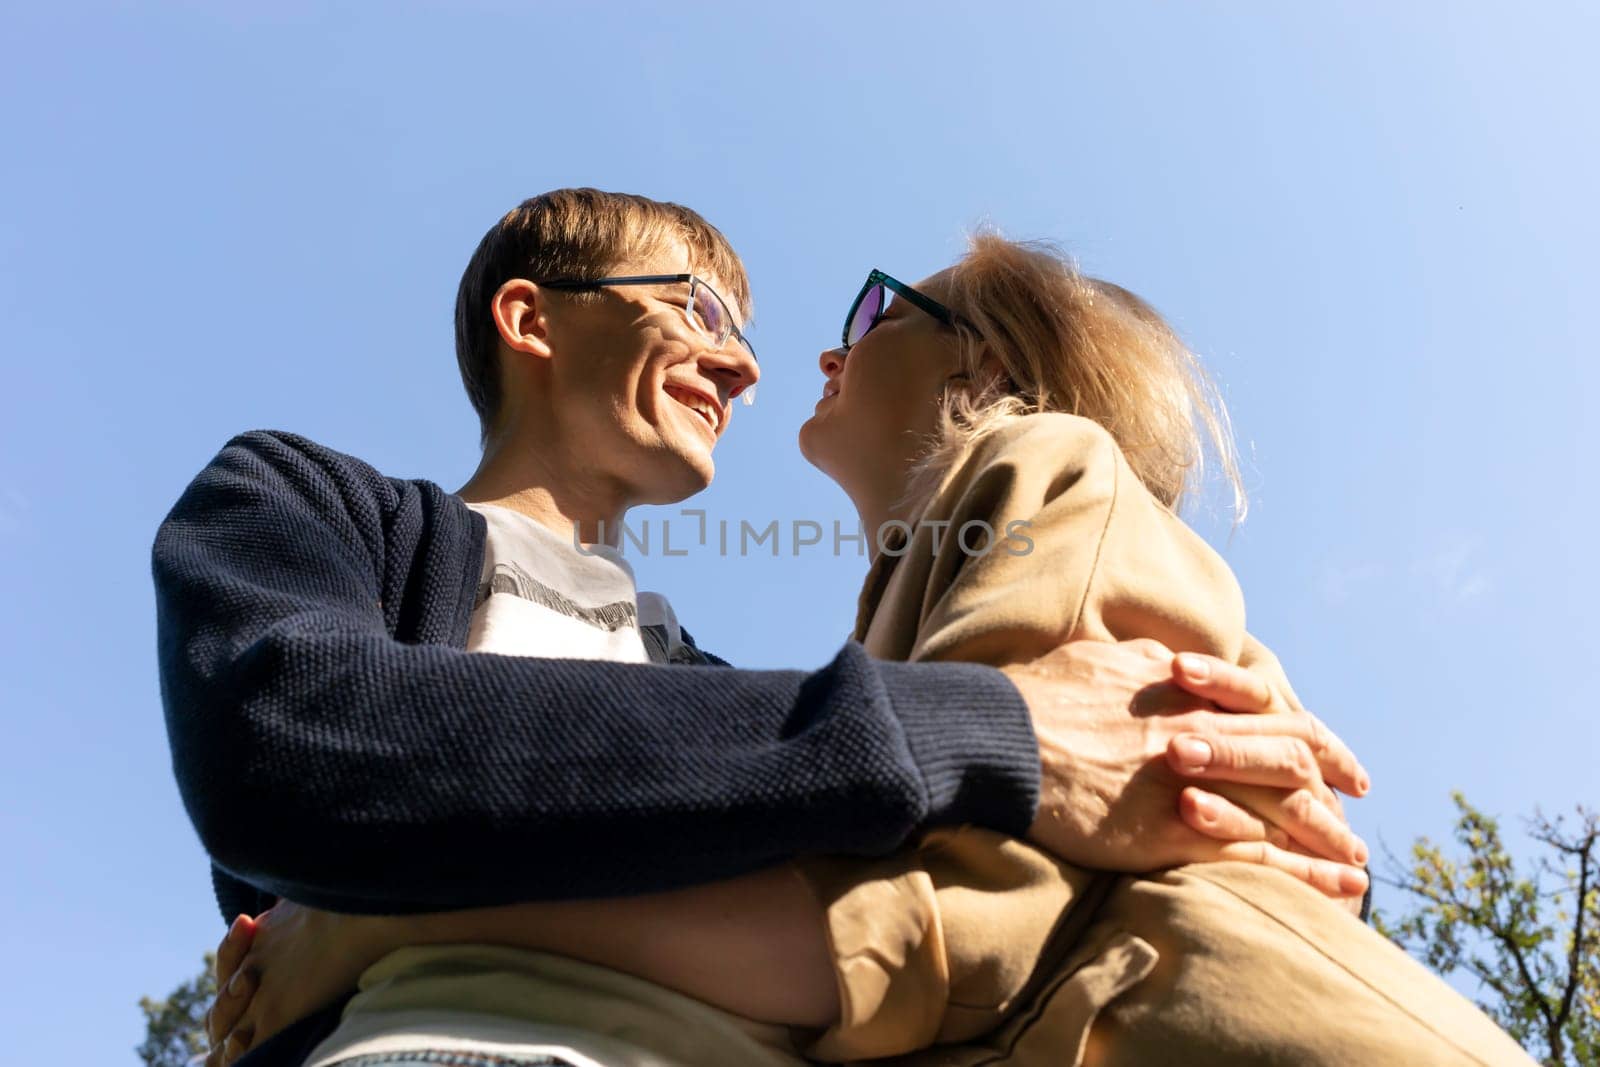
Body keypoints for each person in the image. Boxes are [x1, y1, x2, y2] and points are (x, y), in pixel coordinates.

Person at [159, 189, 1369, 1067]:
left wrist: (361, 918)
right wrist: (987, 730)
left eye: (744, 329)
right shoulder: (295, 499)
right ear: (529, 320)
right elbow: (299, 749)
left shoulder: (741, 701)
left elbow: (956, 918)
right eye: (696, 308)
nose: (744, 366)